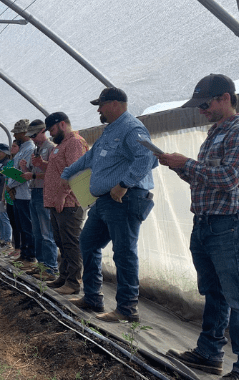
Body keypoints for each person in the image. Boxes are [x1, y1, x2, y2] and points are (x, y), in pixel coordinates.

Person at [159, 74, 239, 380]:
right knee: (214, 293)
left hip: (227, 226)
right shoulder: (214, 133)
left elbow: (230, 179)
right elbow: (205, 180)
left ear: (226, 98)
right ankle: (209, 353)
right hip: (206, 224)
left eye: (205, 103)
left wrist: (186, 163)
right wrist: (180, 168)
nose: (201, 110)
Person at [61, 87, 157, 322]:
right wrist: (67, 174)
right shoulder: (110, 131)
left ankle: (127, 308)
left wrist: (124, 183)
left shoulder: (132, 127)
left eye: (101, 105)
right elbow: (89, 158)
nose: (98, 110)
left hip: (124, 199)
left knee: (123, 253)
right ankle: (92, 297)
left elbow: (148, 157)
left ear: (115, 104)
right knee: (87, 242)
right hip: (104, 201)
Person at [33, 112, 89, 295]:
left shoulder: (74, 142)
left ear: (63, 124)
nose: (50, 134)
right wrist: (43, 165)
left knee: (71, 242)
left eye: (52, 129)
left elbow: (75, 171)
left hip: (69, 202)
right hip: (57, 202)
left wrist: (63, 195)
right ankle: (64, 276)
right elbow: (58, 169)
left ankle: (74, 282)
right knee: (61, 241)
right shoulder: (61, 145)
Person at [20, 119, 59, 280]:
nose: (33, 138)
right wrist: (25, 168)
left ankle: (51, 268)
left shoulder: (52, 149)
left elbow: (55, 172)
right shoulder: (36, 149)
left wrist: (36, 172)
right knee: (36, 231)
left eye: (35, 135)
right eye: (31, 136)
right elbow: (32, 170)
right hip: (34, 191)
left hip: (45, 192)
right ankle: (41, 264)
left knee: (46, 232)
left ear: (44, 131)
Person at [6, 119, 37, 265]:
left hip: (25, 195)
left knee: (27, 227)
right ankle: (24, 254)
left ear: (24, 133)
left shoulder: (29, 149)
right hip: (18, 194)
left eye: (17, 132)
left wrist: (11, 184)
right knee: (21, 226)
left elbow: (23, 175)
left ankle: (30, 256)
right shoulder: (22, 149)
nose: (15, 135)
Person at [4, 140, 22, 257]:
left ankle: (20, 249)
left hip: (16, 195)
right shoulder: (10, 162)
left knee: (19, 224)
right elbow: (6, 180)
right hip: (9, 196)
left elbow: (19, 178)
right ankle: (17, 248)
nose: (12, 148)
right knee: (13, 223)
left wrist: (11, 189)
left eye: (14, 146)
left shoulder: (19, 161)